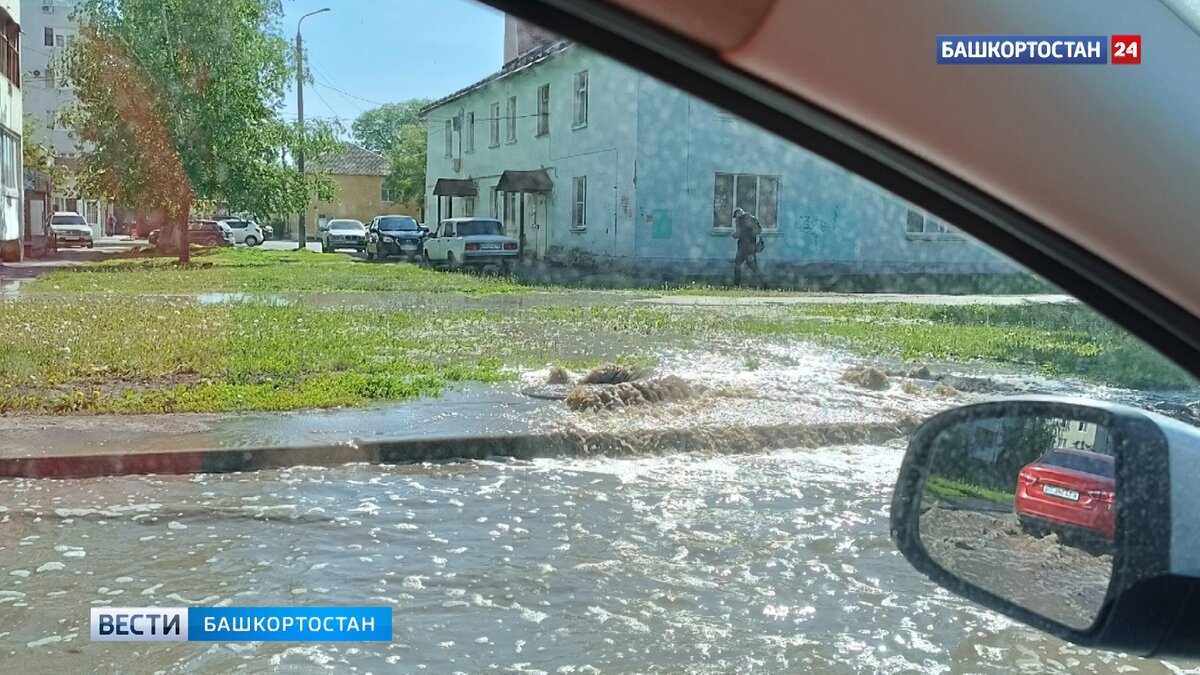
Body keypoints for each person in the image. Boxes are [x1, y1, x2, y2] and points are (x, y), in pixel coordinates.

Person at [731, 207, 763, 286]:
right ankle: (764, 282)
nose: (735, 219)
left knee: (737, 266)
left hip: (743, 247)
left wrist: (734, 235)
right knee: (754, 267)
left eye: (736, 216)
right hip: (751, 247)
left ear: (738, 213)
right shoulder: (752, 219)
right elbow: (759, 230)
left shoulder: (740, 221)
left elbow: (739, 234)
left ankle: (736, 284)